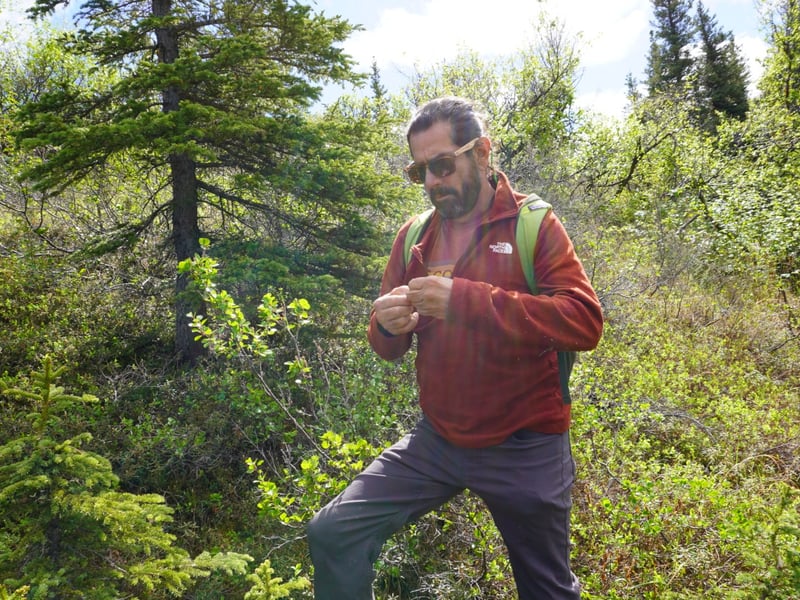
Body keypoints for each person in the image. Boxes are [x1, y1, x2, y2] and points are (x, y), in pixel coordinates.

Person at [306, 96, 603, 599]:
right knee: (334, 532)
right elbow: (387, 346)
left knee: (547, 590)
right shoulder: (415, 237)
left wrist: (463, 300)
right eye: (419, 170)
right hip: (439, 439)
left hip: (525, 442)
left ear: (482, 153)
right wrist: (388, 326)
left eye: (442, 165)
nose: (431, 181)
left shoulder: (533, 224)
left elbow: (584, 321)